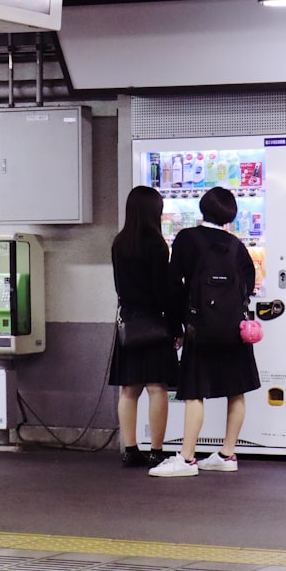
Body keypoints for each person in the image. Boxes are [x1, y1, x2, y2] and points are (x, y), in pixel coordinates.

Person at [149, 186, 260, 478]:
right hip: (235, 330)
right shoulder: (236, 245)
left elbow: (174, 285)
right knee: (236, 391)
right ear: (230, 215)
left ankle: (187, 458)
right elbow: (249, 284)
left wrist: (177, 326)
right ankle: (227, 454)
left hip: (201, 327)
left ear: (203, 208)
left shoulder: (188, 238)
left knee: (195, 392)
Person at [109, 186, 181, 468]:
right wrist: (175, 326)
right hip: (153, 320)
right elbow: (163, 291)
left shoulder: (119, 243)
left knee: (129, 389)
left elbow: (119, 286)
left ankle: (129, 449)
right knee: (156, 388)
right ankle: (157, 450)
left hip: (128, 319)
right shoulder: (157, 245)